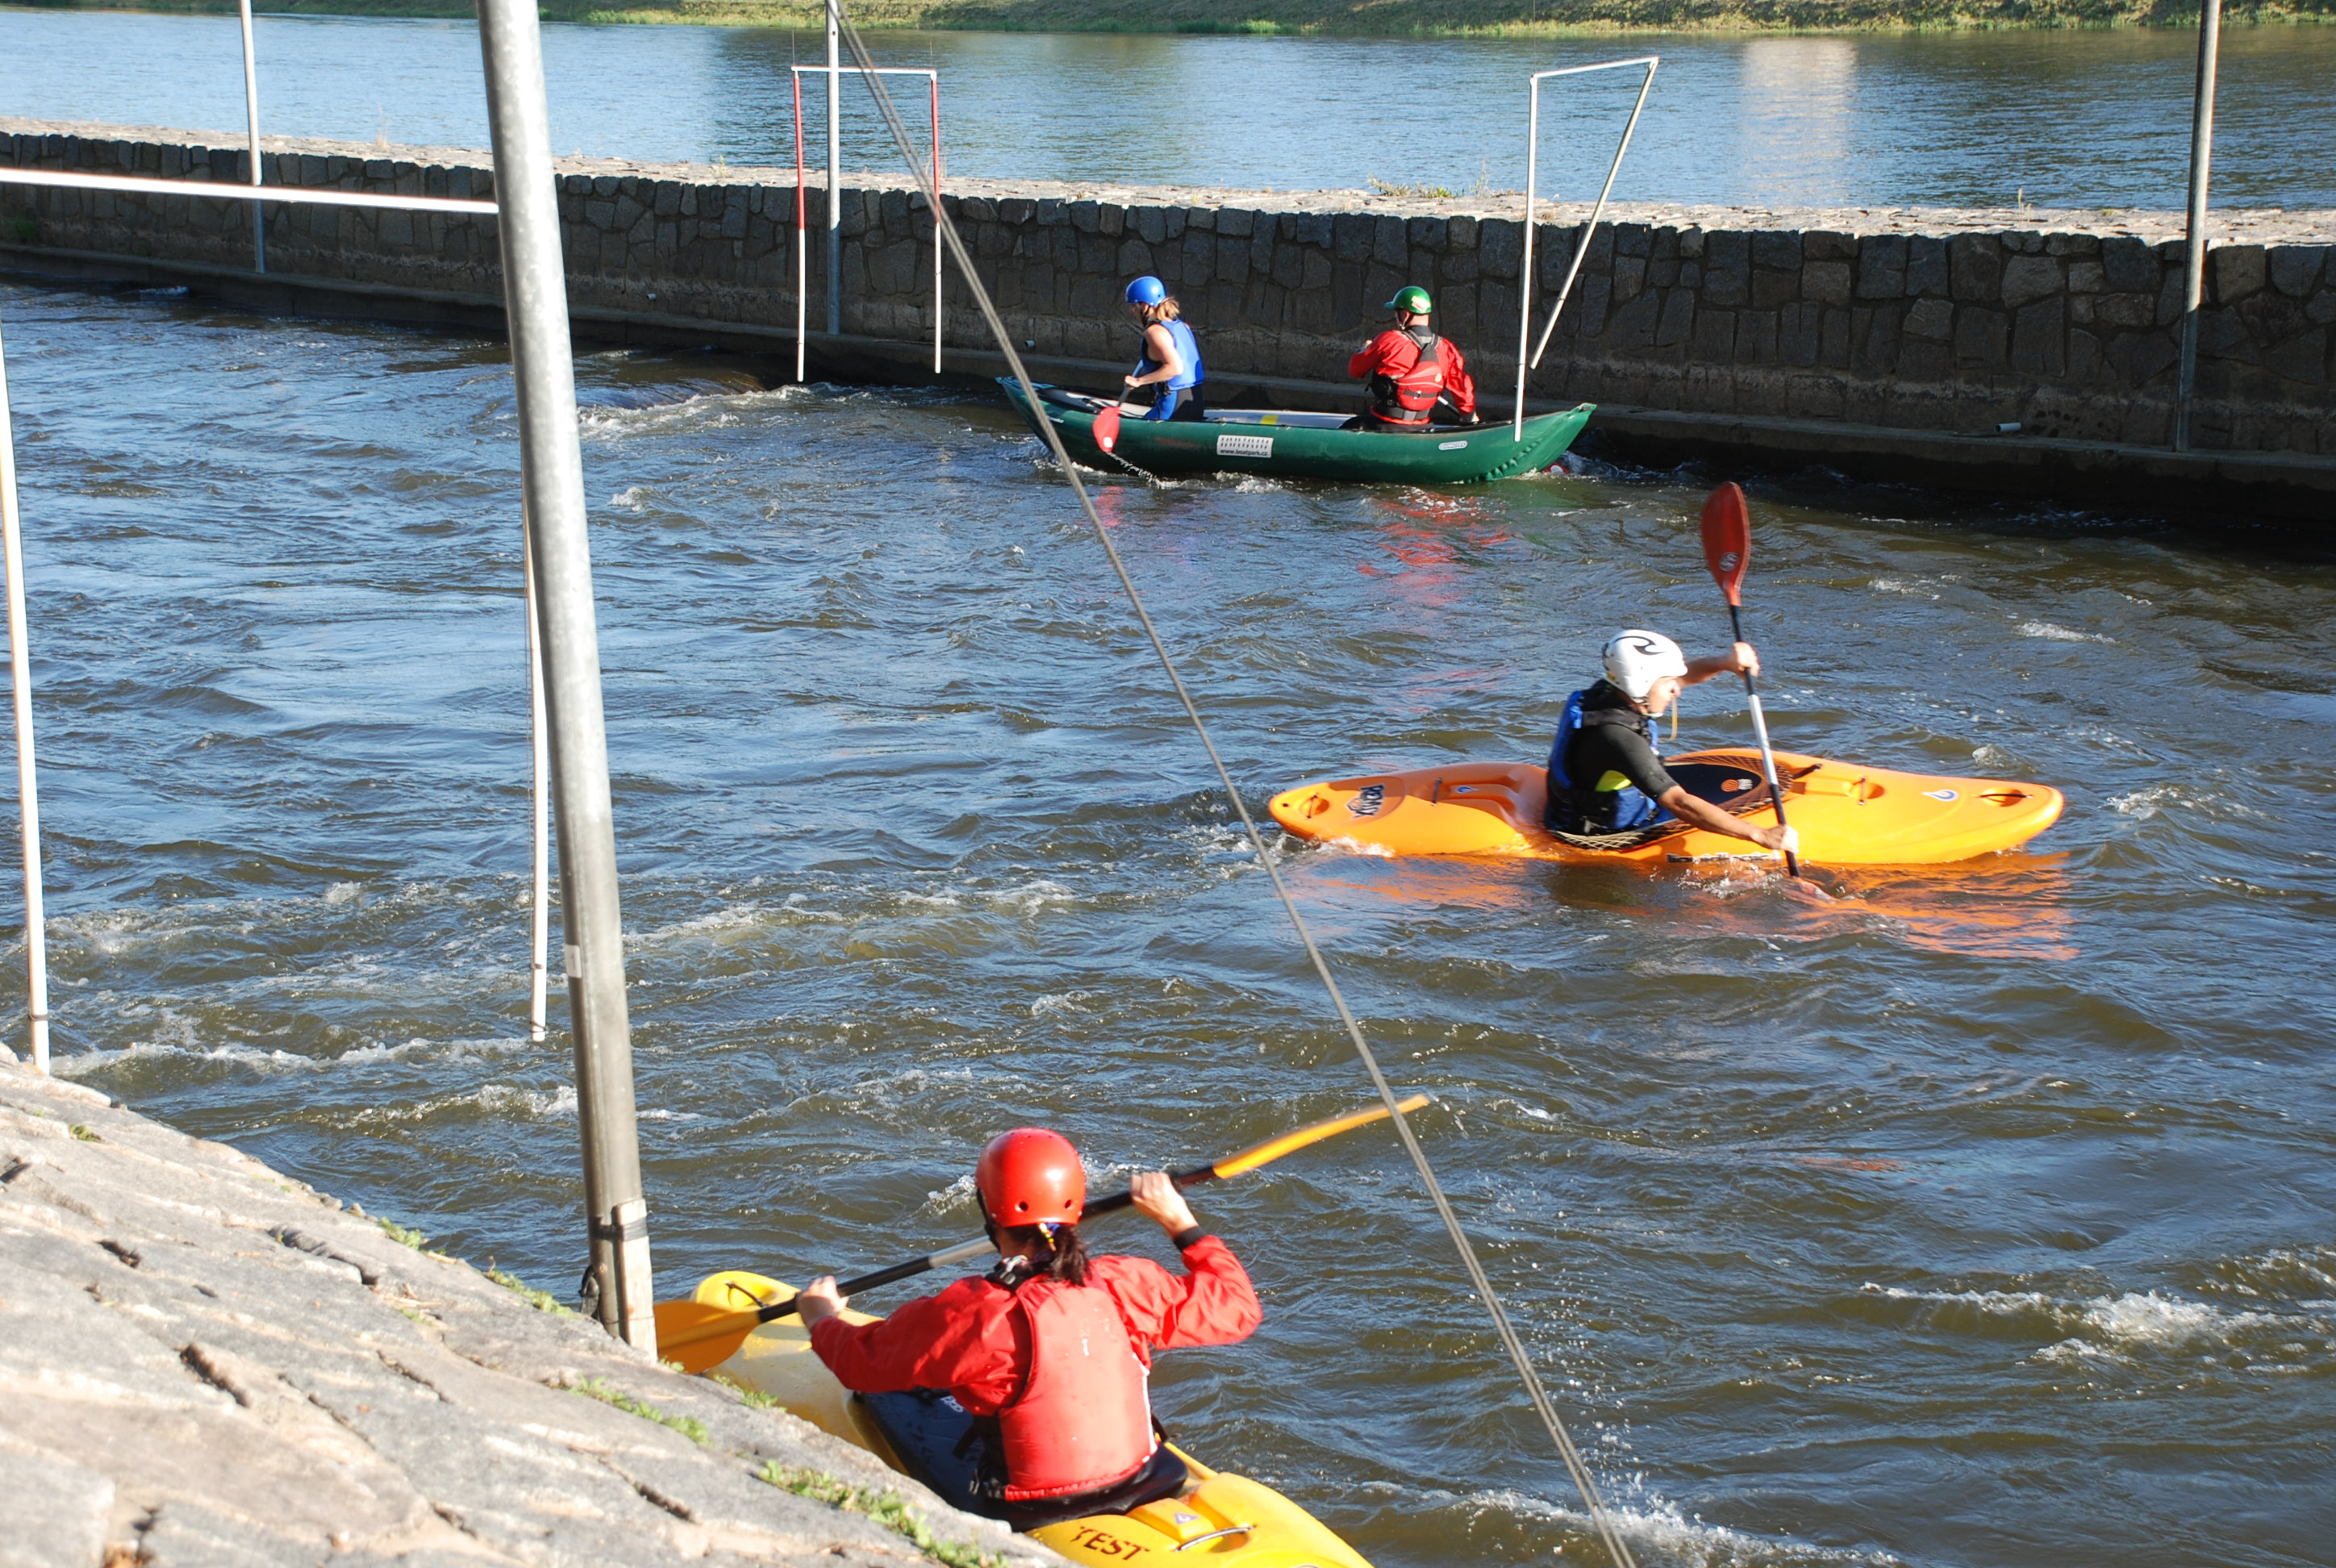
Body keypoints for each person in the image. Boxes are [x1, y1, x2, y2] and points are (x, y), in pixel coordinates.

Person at [795, 1127, 1261, 1515]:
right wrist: (1181, 1223)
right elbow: (1238, 1309)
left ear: (988, 1211)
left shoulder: (975, 1311)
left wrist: (821, 1319)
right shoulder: (1126, 1283)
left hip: (1033, 1506)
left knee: (889, 1394)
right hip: (1143, 1475)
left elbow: (860, 1364)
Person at [1544, 630, 1799, 855]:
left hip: (1590, 802)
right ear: (1641, 684)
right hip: (1599, 834)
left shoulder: (1610, 690)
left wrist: (1725, 662)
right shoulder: (1617, 738)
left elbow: (1684, 677)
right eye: (1668, 684)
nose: (1677, 691)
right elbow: (1678, 803)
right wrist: (1760, 835)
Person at [1345, 285, 1477, 432]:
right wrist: (1469, 417)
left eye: (1396, 313)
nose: (1395, 317)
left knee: (1349, 426)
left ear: (1405, 315)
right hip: (1422, 426)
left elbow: (1355, 371)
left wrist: (1364, 350)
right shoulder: (1446, 349)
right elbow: (1462, 386)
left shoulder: (1388, 341)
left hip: (1382, 424)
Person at [1120, 276, 1205, 421]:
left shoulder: (1154, 332)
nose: (1132, 310)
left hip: (1173, 406)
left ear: (1145, 306)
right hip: (1196, 402)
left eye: (1134, 305)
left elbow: (1175, 369)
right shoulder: (1182, 326)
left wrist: (1138, 381)